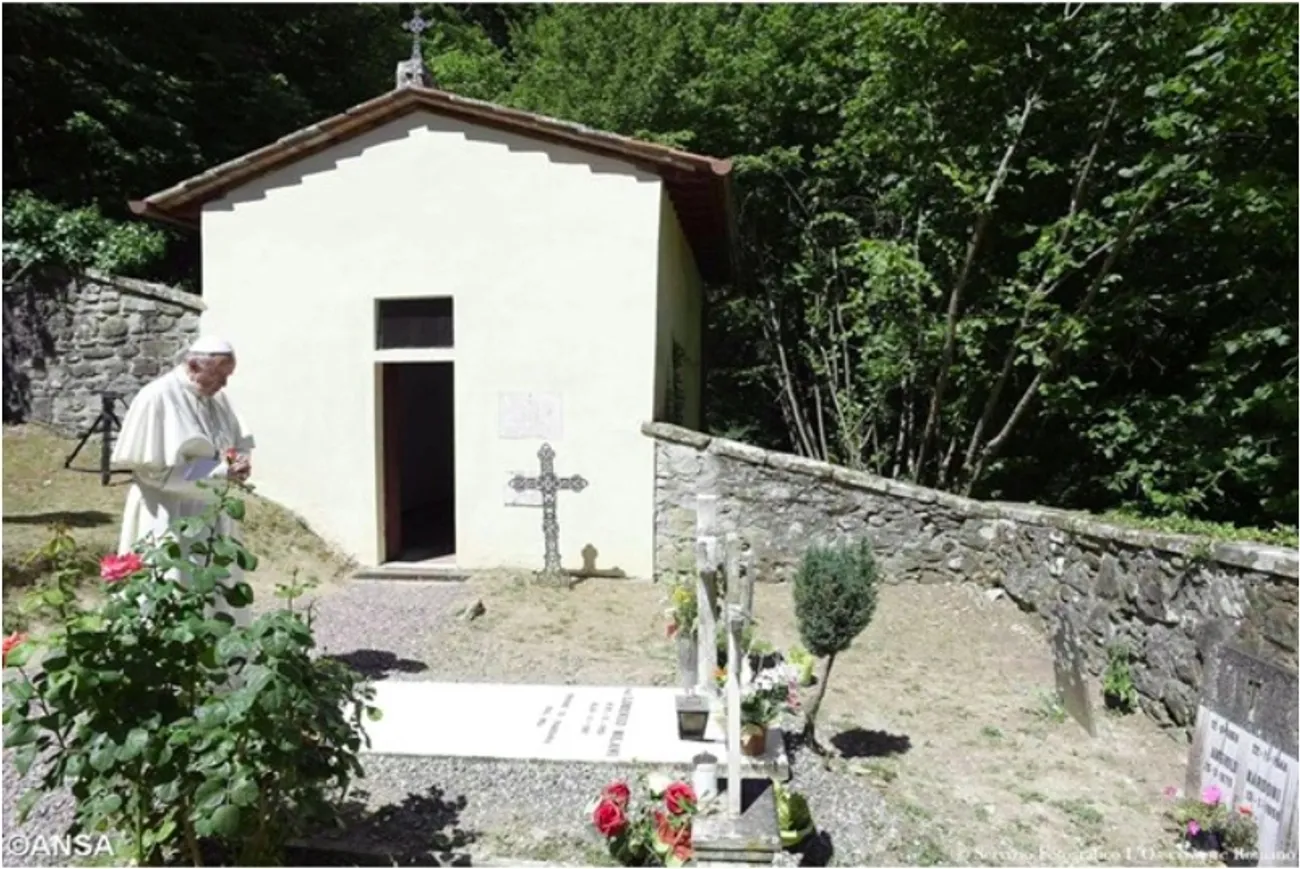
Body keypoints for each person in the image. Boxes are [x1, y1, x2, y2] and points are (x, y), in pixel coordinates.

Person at [111, 336, 256, 627]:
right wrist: (219, 471)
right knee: (171, 586)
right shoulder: (157, 397)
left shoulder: (217, 398)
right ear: (193, 366)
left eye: (228, 376)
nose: (224, 384)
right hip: (168, 515)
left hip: (211, 513)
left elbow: (232, 444)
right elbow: (157, 472)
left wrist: (238, 462)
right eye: (219, 375)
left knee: (217, 592)